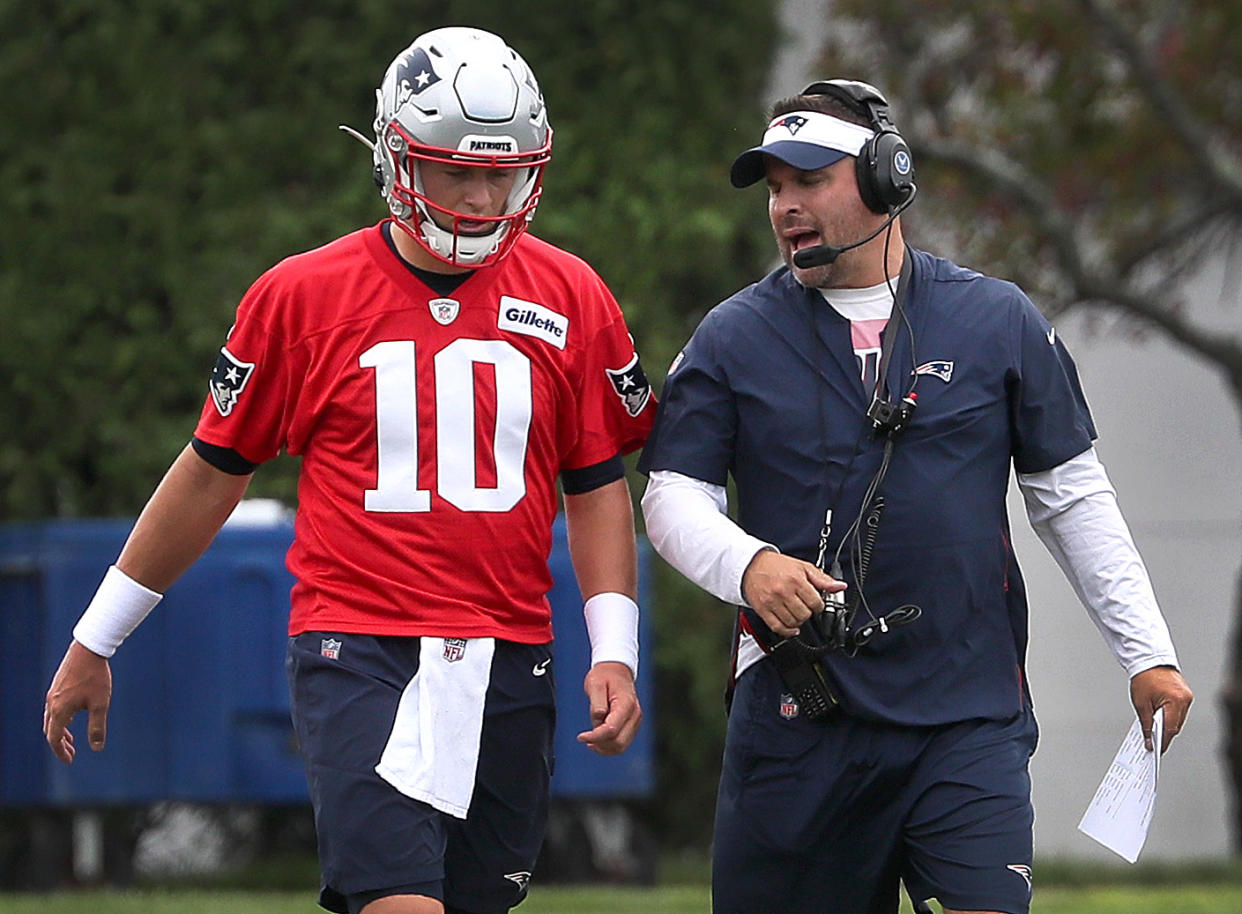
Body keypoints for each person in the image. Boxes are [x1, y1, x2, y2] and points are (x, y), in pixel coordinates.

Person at [43, 26, 655, 914]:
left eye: (504, 171)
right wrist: (97, 637)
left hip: (509, 648)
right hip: (359, 644)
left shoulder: (571, 295)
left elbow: (597, 482)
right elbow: (213, 471)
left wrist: (616, 652)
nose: (485, 197)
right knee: (398, 901)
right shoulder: (302, 297)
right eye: (457, 171)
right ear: (398, 158)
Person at [638, 79, 1193, 914]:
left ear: (884, 178)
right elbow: (671, 497)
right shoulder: (732, 336)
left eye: (809, 178)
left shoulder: (997, 320)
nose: (786, 204)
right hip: (798, 718)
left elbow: (1072, 498)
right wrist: (747, 565)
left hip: (965, 715)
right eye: (775, 187)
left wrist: (1146, 650)